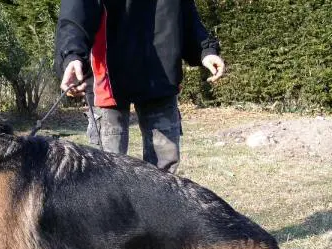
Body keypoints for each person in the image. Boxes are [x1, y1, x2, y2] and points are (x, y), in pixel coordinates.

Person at [55, 0, 225, 173]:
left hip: (161, 78)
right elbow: (75, 13)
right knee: (106, 173)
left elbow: (185, 13)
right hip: (108, 80)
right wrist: (71, 56)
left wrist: (204, 50)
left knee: (164, 173)